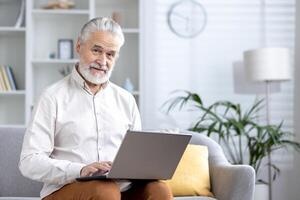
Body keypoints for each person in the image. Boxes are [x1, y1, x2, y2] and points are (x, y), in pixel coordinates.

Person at [19, 17, 173, 200]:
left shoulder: (126, 99)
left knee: (159, 190)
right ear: (78, 46)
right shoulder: (52, 97)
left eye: (110, 54)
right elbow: (29, 161)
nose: (102, 61)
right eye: (96, 50)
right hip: (69, 189)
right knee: (105, 191)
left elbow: (136, 158)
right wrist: (81, 170)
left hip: (120, 189)